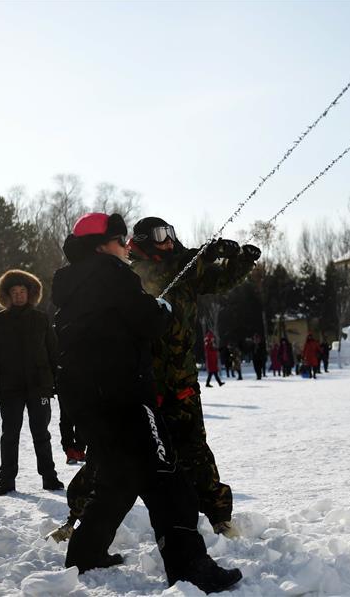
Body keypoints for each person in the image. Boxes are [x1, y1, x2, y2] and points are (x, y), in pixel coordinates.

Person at [53, 212, 241, 591]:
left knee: (116, 479)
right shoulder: (112, 275)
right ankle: (190, 566)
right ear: (101, 245)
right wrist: (162, 309)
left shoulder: (70, 286)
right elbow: (147, 321)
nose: (126, 247)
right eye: (120, 240)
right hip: (126, 398)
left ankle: (85, 554)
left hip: (90, 404)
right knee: (168, 481)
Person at [128, 216, 260, 536]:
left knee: (196, 452)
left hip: (182, 380)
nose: (169, 240)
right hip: (143, 385)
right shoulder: (133, 274)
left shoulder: (184, 268)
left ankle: (219, 517)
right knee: (122, 454)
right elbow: (160, 275)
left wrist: (240, 262)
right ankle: (77, 520)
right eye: (161, 235)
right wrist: (204, 253)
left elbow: (217, 281)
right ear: (145, 240)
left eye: (171, 233)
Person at [0, 269, 63, 495]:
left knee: (41, 433)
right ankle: (6, 480)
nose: (18, 295)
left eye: (22, 291)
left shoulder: (41, 319)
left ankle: (49, 477)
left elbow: (53, 352)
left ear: (30, 293)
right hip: (10, 387)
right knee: (10, 435)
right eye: (14, 292)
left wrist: (57, 381)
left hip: (40, 386)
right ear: (7, 295)